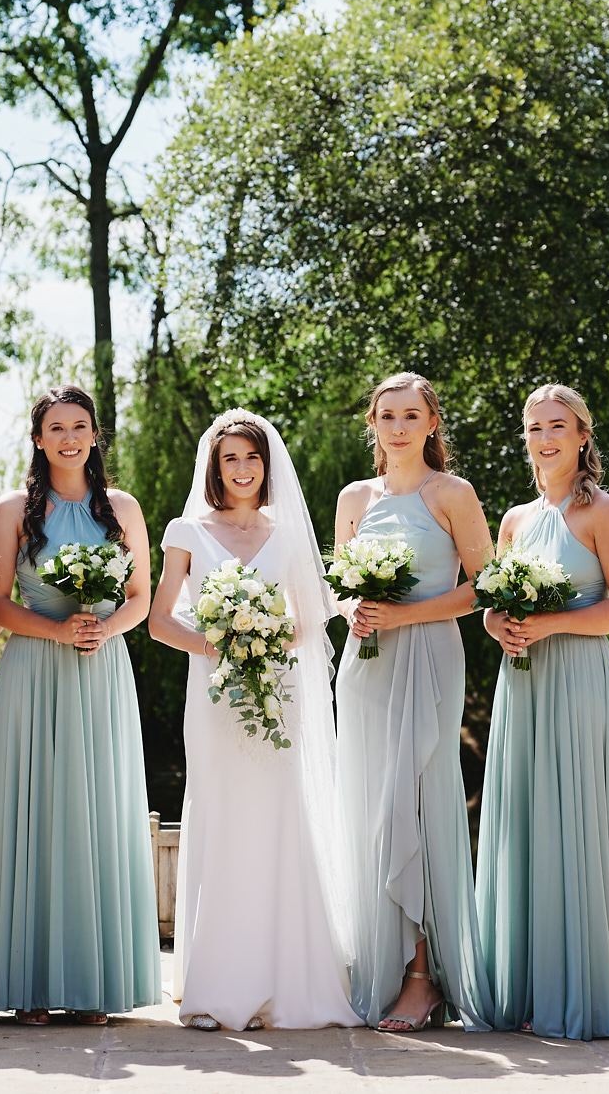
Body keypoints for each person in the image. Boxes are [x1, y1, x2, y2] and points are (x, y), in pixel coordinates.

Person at [147, 410, 361, 1032]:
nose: (242, 469)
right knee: (221, 816)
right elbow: (161, 621)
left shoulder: (288, 536)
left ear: (267, 466)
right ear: (214, 469)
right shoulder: (187, 531)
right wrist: (218, 645)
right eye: (230, 459)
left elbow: (310, 620)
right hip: (214, 694)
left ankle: (281, 983)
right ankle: (214, 986)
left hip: (277, 694)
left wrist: (263, 641)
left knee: (275, 818)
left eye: (251, 458)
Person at [0, 386, 159, 1025]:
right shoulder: (11, 511)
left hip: (100, 669)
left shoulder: (123, 508)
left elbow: (141, 597)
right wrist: (57, 631)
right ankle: (28, 986)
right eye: (56, 427)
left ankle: (93, 986)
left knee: (97, 813)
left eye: (80, 426)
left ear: (94, 435)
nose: (69, 438)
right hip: (33, 669)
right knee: (33, 812)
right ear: (38, 439)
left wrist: (103, 630)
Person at [477, 384, 609, 1039]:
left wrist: (550, 625)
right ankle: (523, 989)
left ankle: (574, 994)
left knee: (571, 817)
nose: (544, 439)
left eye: (557, 426)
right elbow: (492, 605)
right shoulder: (515, 519)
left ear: (582, 435)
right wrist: (499, 625)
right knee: (523, 821)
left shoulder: (603, 510)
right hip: (521, 685)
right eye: (534, 427)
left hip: (576, 682)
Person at [333, 372, 497, 1031]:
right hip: (366, 665)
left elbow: (484, 586)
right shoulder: (354, 497)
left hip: (429, 655)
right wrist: (354, 609)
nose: (397, 427)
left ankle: (424, 979)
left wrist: (405, 615)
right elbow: (340, 582)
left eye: (410, 415)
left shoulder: (452, 493)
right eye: (387, 416)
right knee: (372, 808)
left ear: (432, 424)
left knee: (420, 804)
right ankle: (377, 964)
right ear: (372, 424)